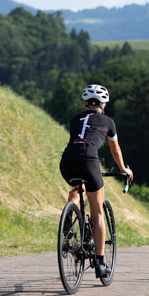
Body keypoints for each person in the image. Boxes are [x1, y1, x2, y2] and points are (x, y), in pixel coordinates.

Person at [60, 83, 133, 279]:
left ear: (85, 102)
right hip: (89, 162)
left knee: (77, 187)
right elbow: (115, 150)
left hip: (67, 162)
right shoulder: (108, 122)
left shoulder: (75, 119)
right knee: (98, 211)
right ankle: (100, 263)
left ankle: (69, 212)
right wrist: (123, 169)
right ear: (104, 103)